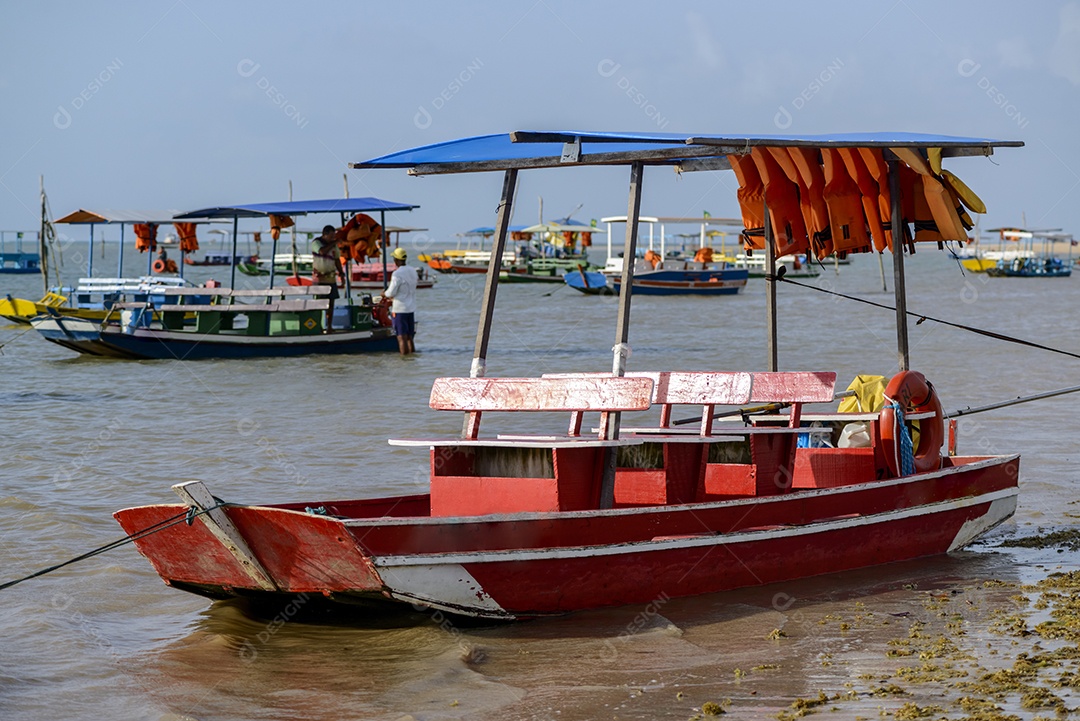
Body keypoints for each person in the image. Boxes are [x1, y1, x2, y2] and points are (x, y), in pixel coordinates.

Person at [380, 246, 418, 354]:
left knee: (401, 337)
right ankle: (411, 358)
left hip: (399, 309)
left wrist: (384, 293)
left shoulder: (397, 274)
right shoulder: (412, 271)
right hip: (411, 308)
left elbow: (391, 292)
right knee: (409, 337)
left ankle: (404, 361)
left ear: (396, 260)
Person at [311, 225, 344, 332]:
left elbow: (337, 260)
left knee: (331, 303)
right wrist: (334, 243)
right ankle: (318, 326)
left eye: (334, 236)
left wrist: (341, 274)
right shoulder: (316, 242)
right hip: (319, 279)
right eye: (331, 236)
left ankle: (329, 326)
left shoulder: (333, 246)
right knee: (319, 303)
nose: (333, 238)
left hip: (331, 278)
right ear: (324, 235)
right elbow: (322, 251)